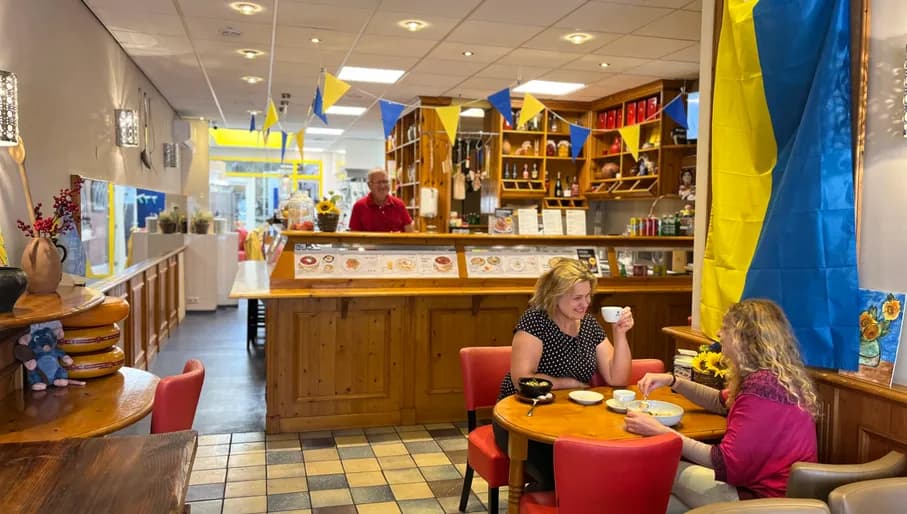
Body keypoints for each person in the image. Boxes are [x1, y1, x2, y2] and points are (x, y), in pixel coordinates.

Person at [625, 299, 818, 511]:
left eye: (725, 328)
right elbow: (720, 400)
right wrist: (673, 380)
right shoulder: (776, 378)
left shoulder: (762, 388)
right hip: (779, 494)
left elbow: (724, 462)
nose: (718, 333)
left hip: (763, 501)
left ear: (742, 338)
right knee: (666, 504)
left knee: (657, 468)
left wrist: (662, 433)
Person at [494, 258, 635, 489]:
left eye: (588, 296)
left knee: (599, 465)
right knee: (561, 473)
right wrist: (566, 383)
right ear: (555, 295)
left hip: (572, 420)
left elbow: (617, 378)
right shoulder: (535, 322)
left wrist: (620, 334)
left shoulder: (588, 324)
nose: (585, 304)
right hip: (522, 420)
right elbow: (522, 379)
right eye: (577, 298)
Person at [348, 168, 414, 232]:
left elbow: (409, 232)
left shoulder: (399, 204)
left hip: (395, 243)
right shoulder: (359, 206)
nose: (382, 186)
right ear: (369, 185)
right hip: (368, 243)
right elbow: (354, 236)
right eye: (379, 182)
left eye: (385, 182)